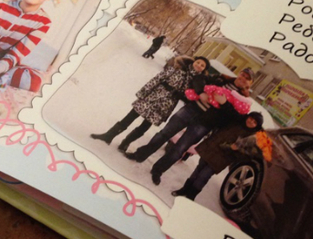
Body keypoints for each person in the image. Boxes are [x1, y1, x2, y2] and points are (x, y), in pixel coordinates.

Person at [126, 67, 254, 185]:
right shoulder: (221, 79)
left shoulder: (244, 100)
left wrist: (224, 103)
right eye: (243, 74)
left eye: (247, 78)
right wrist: (200, 92)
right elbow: (198, 78)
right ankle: (140, 155)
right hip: (191, 109)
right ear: (239, 74)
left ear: (250, 83)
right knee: (164, 134)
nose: (243, 78)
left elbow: (235, 118)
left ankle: (158, 170)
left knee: (180, 148)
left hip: (205, 123)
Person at [91, 56, 209, 153]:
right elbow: (158, 78)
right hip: (153, 96)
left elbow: (191, 96)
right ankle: (109, 136)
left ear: (203, 69)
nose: (199, 65)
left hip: (166, 105)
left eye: (202, 65)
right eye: (198, 62)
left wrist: (182, 95)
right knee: (129, 117)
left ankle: (125, 143)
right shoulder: (178, 67)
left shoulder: (197, 81)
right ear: (194, 62)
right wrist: (144, 92)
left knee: (144, 127)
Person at [171, 111, 264, 201]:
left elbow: (244, 155)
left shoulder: (251, 138)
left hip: (222, 158)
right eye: (251, 118)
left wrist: (234, 149)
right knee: (198, 170)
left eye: (255, 122)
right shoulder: (235, 122)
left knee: (204, 176)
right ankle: (184, 189)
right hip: (211, 149)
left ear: (257, 126)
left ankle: (191, 195)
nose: (251, 122)